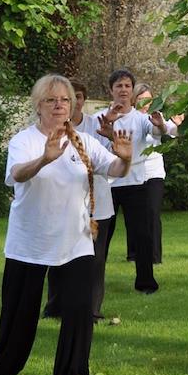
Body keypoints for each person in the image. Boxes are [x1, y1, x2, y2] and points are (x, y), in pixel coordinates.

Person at [0, 74, 133, 375]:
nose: (60, 105)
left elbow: (113, 169)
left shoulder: (86, 141)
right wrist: (44, 158)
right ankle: (2, 369)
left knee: (78, 308)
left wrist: (126, 158)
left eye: (65, 100)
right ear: (39, 106)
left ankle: (73, 374)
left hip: (74, 239)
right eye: (52, 100)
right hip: (29, 240)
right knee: (18, 310)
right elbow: (16, 174)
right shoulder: (24, 141)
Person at [43, 82, 115, 320]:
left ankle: (91, 310)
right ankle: (55, 306)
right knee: (58, 256)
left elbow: (112, 162)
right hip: (62, 205)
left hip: (96, 206)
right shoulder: (47, 129)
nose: (65, 104)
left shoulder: (96, 125)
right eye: (60, 99)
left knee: (94, 260)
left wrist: (112, 136)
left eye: (75, 98)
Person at [100, 69, 172, 294]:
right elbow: (96, 150)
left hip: (136, 183)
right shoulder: (101, 117)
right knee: (101, 237)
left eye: (127, 86)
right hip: (108, 184)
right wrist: (109, 132)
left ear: (132, 91)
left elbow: (157, 131)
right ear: (111, 90)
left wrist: (160, 125)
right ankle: (93, 281)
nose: (123, 90)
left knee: (142, 235)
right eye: (119, 86)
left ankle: (146, 283)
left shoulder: (141, 119)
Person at [130, 83, 180, 266]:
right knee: (135, 215)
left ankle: (155, 256)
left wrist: (177, 125)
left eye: (148, 99)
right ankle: (134, 253)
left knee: (152, 212)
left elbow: (170, 130)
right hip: (133, 172)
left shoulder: (156, 117)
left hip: (154, 172)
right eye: (141, 99)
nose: (145, 103)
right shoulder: (130, 118)